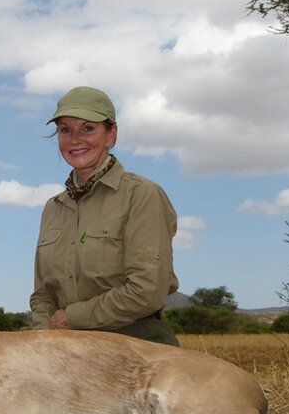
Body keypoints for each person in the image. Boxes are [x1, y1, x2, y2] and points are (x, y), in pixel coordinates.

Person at [29, 86, 180, 346]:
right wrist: (43, 342)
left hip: (135, 343)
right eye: (65, 130)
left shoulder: (142, 194)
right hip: (63, 347)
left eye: (88, 128)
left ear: (111, 135)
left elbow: (147, 292)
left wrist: (73, 318)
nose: (75, 139)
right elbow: (43, 295)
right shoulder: (53, 207)